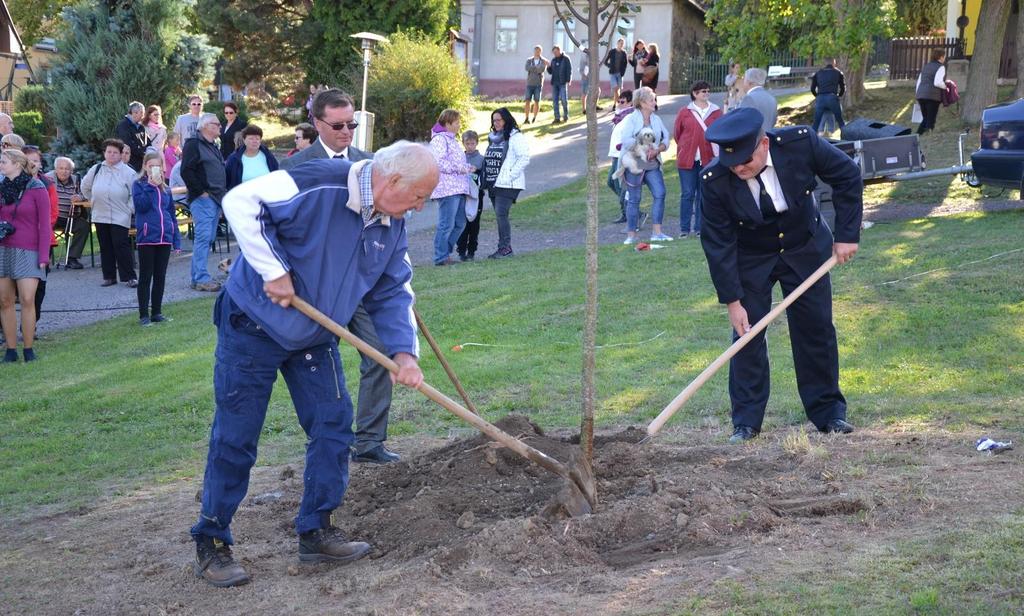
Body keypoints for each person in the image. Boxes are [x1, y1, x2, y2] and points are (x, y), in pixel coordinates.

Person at [189, 141, 437, 588]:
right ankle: (213, 540)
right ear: (393, 181)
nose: (419, 207)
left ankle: (316, 529)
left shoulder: (390, 224)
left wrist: (404, 353)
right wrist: (273, 270)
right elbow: (240, 201)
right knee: (237, 436)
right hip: (253, 323)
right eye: (418, 197)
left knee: (333, 426)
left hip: (315, 336)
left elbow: (392, 289)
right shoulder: (317, 182)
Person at [700, 107, 862, 443]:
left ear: (764, 144)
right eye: (732, 164)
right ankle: (746, 422)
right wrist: (733, 300)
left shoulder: (800, 143)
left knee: (815, 328)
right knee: (747, 335)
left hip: (805, 248)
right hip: (752, 257)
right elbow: (718, 243)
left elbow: (847, 174)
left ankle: (829, 413)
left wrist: (847, 235)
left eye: (745, 160)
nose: (739, 169)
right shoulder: (714, 182)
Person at [277, 89, 399, 466]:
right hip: (312, 288)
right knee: (312, 362)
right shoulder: (295, 168)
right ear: (317, 124)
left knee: (381, 354)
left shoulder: (370, 164)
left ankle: (369, 441)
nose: (348, 131)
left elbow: (387, 222)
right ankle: (326, 440)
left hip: (359, 285)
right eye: (339, 125)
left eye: (353, 124)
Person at [0, 148, 50, 363]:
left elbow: (45, 225)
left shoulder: (37, 188)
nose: (0, 164)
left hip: (29, 249)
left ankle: (28, 349)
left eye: (4, 161)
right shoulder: (1, 189)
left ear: (17, 164)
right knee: (4, 300)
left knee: (28, 299)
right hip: (3, 248)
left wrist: (43, 256)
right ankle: (11, 350)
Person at [133, 152, 181, 326]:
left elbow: (171, 214)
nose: (155, 168)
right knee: (146, 276)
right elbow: (141, 206)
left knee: (160, 276)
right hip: (147, 238)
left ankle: (157, 312)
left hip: (164, 238)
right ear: (145, 167)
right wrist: (150, 187)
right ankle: (144, 315)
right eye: (151, 165)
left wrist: (176, 239)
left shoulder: (166, 188)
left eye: (158, 166)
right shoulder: (139, 185)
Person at [82, 138, 138, 288]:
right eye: (109, 152)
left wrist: (129, 209)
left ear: (120, 155)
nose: (111, 155)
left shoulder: (128, 172)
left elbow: (135, 194)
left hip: (120, 214)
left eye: (115, 152)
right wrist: (93, 199)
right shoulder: (97, 169)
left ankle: (129, 277)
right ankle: (109, 276)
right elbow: (85, 186)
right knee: (105, 245)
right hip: (100, 214)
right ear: (104, 153)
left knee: (121, 245)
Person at [180, 113, 226, 292]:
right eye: (217, 124)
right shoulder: (194, 144)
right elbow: (187, 171)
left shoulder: (212, 145)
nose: (220, 127)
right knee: (204, 238)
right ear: (206, 126)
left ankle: (197, 277)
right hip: (203, 200)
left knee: (208, 238)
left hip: (214, 199)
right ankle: (201, 278)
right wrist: (201, 193)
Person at [619, 87, 671, 245]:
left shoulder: (656, 119)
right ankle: (631, 235)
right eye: (651, 100)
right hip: (634, 163)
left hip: (652, 163)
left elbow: (666, 138)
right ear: (642, 103)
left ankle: (657, 233)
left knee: (660, 193)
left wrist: (657, 150)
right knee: (634, 199)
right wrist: (641, 146)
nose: (654, 102)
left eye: (654, 99)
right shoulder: (631, 119)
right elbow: (626, 140)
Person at [674, 81, 722, 239]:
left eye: (708, 91)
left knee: (703, 194)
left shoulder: (716, 112)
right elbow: (677, 133)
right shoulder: (684, 112)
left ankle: (700, 228)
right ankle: (684, 228)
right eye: (703, 91)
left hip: (707, 160)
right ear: (695, 93)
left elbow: (720, 132)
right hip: (687, 160)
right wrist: (685, 148)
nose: (706, 93)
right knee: (687, 194)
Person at [482, 108, 530, 259]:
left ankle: (506, 248)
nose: (495, 123)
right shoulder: (494, 137)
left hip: (507, 183)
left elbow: (524, 158)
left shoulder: (516, 137)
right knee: (500, 214)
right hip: (493, 182)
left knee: (501, 213)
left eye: (499, 120)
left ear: (506, 120)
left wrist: (510, 176)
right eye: (494, 120)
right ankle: (502, 247)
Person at [429, 109, 474, 266]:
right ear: (447, 124)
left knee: (460, 223)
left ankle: (444, 253)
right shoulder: (440, 140)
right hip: (447, 189)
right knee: (446, 224)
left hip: (459, 187)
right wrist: (459, 168)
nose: (458, 125)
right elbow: (438, 162)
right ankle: (441, 257)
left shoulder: (452, 139)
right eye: (456, 123)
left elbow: (455, 162)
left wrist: (467, 167)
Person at [280, 89, 369, 169]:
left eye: (351, 124)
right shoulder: (294, 166)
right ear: (318, 124)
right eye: (337, 126)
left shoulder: (370, 163)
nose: (346, 131)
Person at [22, 146, 58, 323]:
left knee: (40, 284)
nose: (32, 164)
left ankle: (31, 323)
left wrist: (38, 230)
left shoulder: (47, 183)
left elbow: (52, 214)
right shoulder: (13, 184)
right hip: (19, 241)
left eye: (35, 160)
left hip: (43, 241)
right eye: (28, 160)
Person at [46, 156, 88, 269]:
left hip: (71, 217)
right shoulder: (48, 179)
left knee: (83, 226)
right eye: (61, 168)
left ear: (71, 171)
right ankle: (45, 261)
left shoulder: (77, 181)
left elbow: (86, 193)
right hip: (53, 216)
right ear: (55, 169)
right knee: (45, 228)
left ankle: (72, 258)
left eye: (67, 169)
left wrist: (80, 197)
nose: (64, 171)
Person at [456, 130, 485, 261]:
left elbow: (483, 178)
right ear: (463, 143)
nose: (470, 146)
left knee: (474, 223)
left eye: (472, 143)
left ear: (477, 143)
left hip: (476, 195)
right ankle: (461, 250)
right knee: (462, 222)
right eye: (467, 143)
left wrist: (476, 171)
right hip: (462, 194)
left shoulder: (481, 159)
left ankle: (472, 250)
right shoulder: (459, 158)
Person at [607, 90, 635, 224]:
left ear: (630, 102)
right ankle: (630, 208)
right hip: (615, 154)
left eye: (622, 101)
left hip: (622, 154)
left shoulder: (630, 116)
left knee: (618, 183)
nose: (619, 103)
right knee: (612, 182)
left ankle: (629, 211)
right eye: (618, 101)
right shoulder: (619, 116)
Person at [225, 124, 279, 190]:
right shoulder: (234, 159)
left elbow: (277, 174)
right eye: (251, 138)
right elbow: (227, 181)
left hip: (267, 196)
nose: (255, 141)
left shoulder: (268, 155)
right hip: (243, 198)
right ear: (244, 140)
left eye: (257, 138)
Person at [915, 49, 948, 135]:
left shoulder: (926, 66)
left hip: (921, 95)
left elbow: (919, 81)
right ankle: (923, 133)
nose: (944, 58)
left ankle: (920, 134)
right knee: (930, 118)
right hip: (932, 96)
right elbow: (937, 82)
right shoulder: (941, 67)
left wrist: (918, 94)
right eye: (944, 56)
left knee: (925, 117)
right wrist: (945, 86)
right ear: (941, 57)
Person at [810, 59, 846, 133]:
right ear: (834, 64)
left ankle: (811, 139)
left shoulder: (818, 73)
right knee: (840, 121)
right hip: (832, 97)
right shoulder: (838, 73)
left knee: (815, 124)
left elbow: (812, 88)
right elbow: (843, 87)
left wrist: (817, 96)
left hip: (820, 98)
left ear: (825, 64)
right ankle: (845, 137)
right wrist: (839, 95)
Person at [738, 68, 777, 134]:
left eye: (744, 79)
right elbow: (773, 121)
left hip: (753, 141)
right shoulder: (771, 98)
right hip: (769, 139)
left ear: (749, 82)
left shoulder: (748, 98)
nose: (743, 82)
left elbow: (742, 122)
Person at [115, 101, 150, 172]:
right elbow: (128, 144)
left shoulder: (141, 127)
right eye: (142, 113)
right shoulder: (123, 126)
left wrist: (150, 152)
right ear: (135, 113)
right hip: (130, 165)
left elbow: (148, 142)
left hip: (142, 164)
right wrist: (143, 154)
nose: (143, 117)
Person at [523, 45, 548, 125]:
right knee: (527, 101)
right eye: (536, 50)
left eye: (539, 50)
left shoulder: (543, 61)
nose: (537, 52)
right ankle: (526, 118)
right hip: (529, 83)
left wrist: (534, 68)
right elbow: (527, 68)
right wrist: (536, 68)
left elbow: (542, 69)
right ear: (534, 51)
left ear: (541, 52)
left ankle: (534, 117)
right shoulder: (529, 60)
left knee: (537, 101)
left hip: (538, 84)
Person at [547, 45, 572, 124]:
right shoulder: (553, 60)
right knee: (555, 101)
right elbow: (551, 72)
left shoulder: (566, 59)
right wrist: (548, 67)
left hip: (562, 82)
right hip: (554, 83)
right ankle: (557, 118)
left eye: (556, 52)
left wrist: (569, 80)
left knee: (564, 100)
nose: (555, 53)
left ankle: (566, 116)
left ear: (559, 50)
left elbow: (569, 70)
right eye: (553, 52)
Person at [603, 38, 628, 108]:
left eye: (623, 43)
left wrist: (623, 73)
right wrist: (610, 66)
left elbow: (625, 64)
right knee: (615, 88)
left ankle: (615, 104)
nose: (621, 44)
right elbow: (605, 61)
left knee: (618, 89)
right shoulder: (612, 51)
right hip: (612, 73)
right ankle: (619, 103)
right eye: (620, 43)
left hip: (620, 74)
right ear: (617, 43)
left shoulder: (624, 53)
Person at [578, 46, 601, 111]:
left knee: (598, 91)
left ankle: (595, 105)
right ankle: (584, 109)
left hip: (593, 78)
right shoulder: (584, 58)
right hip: (585, 78)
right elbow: (581, 69)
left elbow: (598, 64)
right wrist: (584, 75)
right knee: (584, 93)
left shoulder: (595, 57)